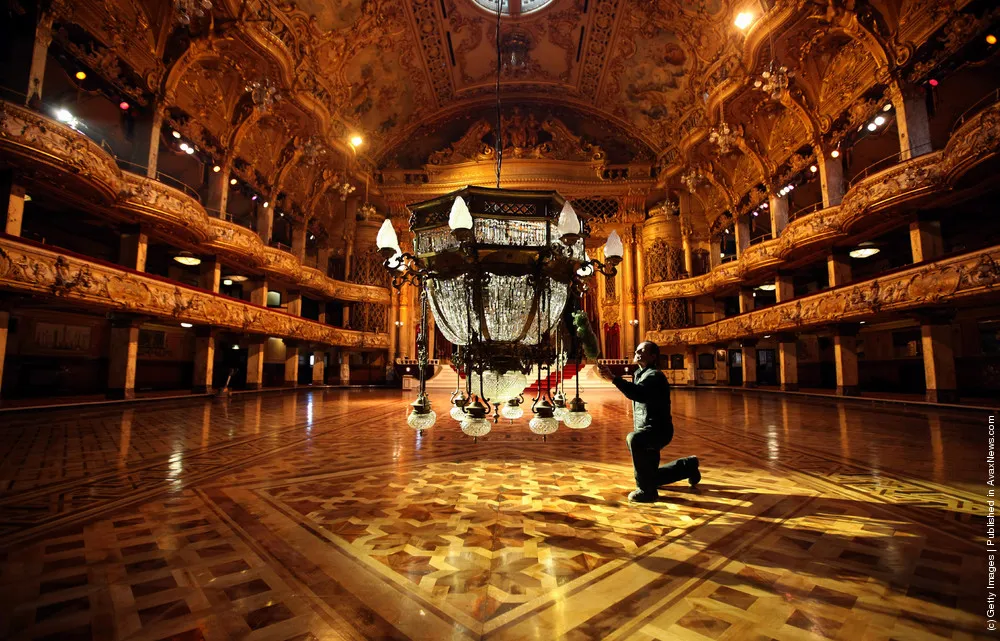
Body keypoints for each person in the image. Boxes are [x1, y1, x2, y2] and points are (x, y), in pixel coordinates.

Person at [598, 341, 700, 503]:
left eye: (642, 350)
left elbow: (639, 393)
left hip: (657, 430)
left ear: (653, 356)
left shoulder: (655, 375)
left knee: (634, 439)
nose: (637, 351)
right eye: (637, 349)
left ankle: (646, 491)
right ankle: (688, 466)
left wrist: (614, 379)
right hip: (646, 428)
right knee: (652, 477)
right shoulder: (640, 373)